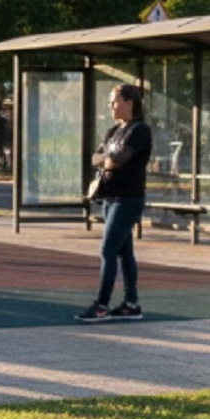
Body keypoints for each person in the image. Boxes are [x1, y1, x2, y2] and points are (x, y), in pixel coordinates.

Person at [75, 84, 153, 323]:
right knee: (124, 252)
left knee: (108, 249)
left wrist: (108, 160)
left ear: (129, 103)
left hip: (128, 198)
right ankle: (131, 304)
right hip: (110, 197)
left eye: (115, 101)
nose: (111, 106)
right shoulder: (113, 131)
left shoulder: (139, 130)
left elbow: (117, 160)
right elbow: (95, 159)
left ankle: (101, 304)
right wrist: (107, 160)